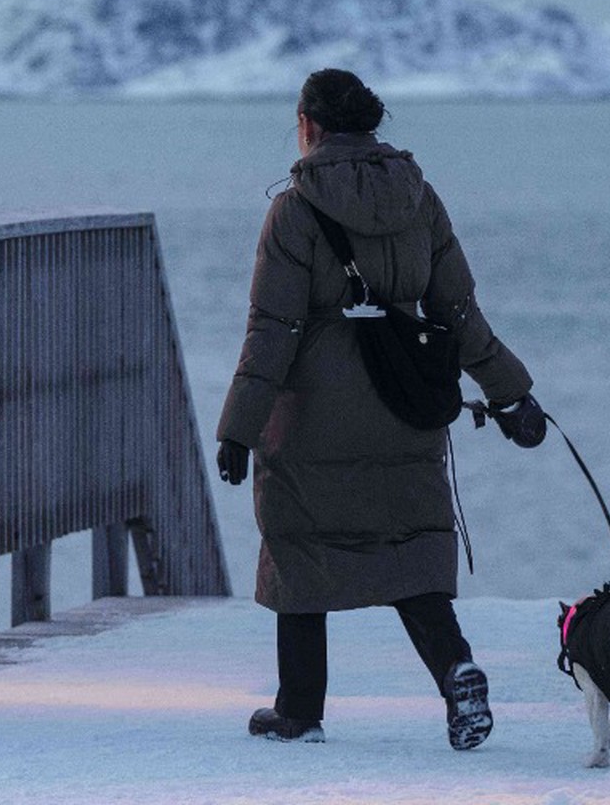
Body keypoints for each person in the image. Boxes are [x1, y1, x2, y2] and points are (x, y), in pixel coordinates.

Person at [215, 68, 546, 749]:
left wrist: (238, 431)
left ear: (308, 125)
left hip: (313, 413)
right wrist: (510, 392)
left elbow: (272, 330)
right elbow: (457, 310)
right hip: (405, 398)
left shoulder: (294, 210)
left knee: (299, 543)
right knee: (410, 545)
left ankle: (298, 709)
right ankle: (455, 670)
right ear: (372, 125)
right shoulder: (419, 198)